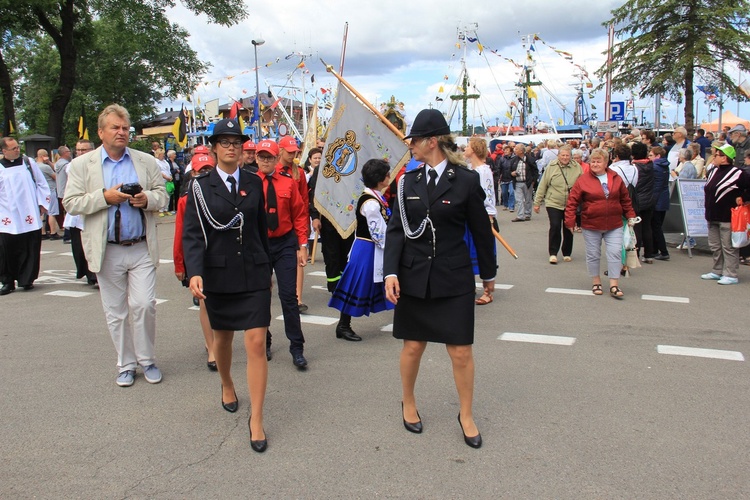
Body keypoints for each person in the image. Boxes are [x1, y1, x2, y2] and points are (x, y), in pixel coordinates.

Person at [384, 109, 495, 449]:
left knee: (460, 351)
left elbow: (480, 231)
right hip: (415, 275)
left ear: (431, 142)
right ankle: (409, 400)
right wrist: (390, 271)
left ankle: (465, 413)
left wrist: (488, 274)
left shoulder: (466, 180)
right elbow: (396, 231)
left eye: (415, 140)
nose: (411, 146)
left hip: (453, 276)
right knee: (413, 346)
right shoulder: (407, 182)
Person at [182, 118, 271, 452]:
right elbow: (192, 232)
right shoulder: (200, 187)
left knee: (257, 342)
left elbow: (261, 227)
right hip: (219, 274)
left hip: (254, 272)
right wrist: (194, 271)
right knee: (222, 340)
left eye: (237, 141)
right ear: (214, 147)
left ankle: (257, 418)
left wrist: (268, 267)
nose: (232, 147)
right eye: (225, 142)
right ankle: (227, 383)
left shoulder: (253, 181)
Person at [64, 104, 168, 387]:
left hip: (140, 247)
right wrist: (104, 197)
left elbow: (163, 197)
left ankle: (147, 360)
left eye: (125, 128)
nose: (122, 132)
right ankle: (126, 363)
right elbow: (71, 203)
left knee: (144, 304)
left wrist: (146, 199)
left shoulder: (145, 161)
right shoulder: (82, 165)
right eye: (115, 128)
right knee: (116, 311)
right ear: (101, 132)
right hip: (107, 248)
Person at [255, 139, 309, 368]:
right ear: (256, 158)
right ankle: (264, 342)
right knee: (261, 297)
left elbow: (299, 213)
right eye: (262, 157)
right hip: (259, 244)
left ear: (278, 159)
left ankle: (297, 347)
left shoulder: (287, 183)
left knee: (289, 297)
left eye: (270, 157)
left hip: (285, 243)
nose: (266, 161)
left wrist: (303, 245)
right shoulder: (249, 184)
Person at [328, 159, 394, 333]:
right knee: (355, 285)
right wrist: (394, 247)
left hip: (370, 248)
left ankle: (344, 325)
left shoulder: (374, 197)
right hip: (367, 250)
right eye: (387, 174)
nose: (389, 176)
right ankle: (343, 325)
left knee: (368, 284)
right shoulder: (371, 203)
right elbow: (378, 233)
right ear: (380, 179)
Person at [564, 148, 636, 298]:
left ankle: (614, 285)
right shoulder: (583, 180)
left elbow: (625, 199)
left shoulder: (615, 177)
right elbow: (572, 201)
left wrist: (631, 216)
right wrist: (570, 221)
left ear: (606, 163)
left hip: (614, 223)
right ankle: (596, 281)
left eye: (598, 161)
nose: (595, 164)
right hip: (591, 224)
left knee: (615, 253)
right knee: (593, 254)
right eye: (593, 161)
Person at [173, 152, 218, 371]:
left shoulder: (222, 193)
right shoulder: (185, 200)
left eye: (208, 170)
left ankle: (217, 341)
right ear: (193, 173)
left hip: (221, 256)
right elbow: (181, 233)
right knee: (205, 303)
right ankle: (212, 348)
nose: (204, 174)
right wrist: (180, 265)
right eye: (200, 171)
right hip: (199, 258)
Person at [0, 137, 51, 295]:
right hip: (7, 215)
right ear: (4, 151)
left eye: (17, 147)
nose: (17, 150)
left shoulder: (28, 163)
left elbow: (42, 183)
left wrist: (43, 203)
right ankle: (7, 281)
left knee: (29, 247)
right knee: (6, 250)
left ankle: (26, 279)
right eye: (13, 148)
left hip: (29, 212)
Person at [700, 144, 750, 285]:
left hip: (727, 216)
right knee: (715, 246)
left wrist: (744, 197)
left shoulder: (739, 173)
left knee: (728, 246)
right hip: (712, 214)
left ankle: (731, 273)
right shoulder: (713, 171)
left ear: (724, 157)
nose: (713, 157)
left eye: (716, 155)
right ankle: (717, 270)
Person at [276, 136, 310, 313]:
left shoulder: (300, 173)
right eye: (289, 151)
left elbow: (304, 200)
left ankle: (298, 298)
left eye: (294, 151)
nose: (292, 154)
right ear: (280, 150)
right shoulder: (273, 170)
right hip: (279, 222)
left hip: (296, 220)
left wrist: (305, 225)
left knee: (299, 260)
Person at [533, 145, 582, 264]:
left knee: (568, 227)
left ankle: (566, 252)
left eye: (567, 155)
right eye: (563, 155)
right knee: (555, 226)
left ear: (571, 156)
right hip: (553, 202)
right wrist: (537, 202)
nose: (565, 157)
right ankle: (553, 253)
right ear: (558, 156)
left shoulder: (577, 167)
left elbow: (583, 185)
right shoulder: (552, 166)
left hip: (570, 203)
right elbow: (543, 184)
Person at [462, 137, 497, 304]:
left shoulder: (483, 171)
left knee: (485, 252)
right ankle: (469, 285)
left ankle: (488, 291)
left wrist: (489, 217)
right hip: (469, 217)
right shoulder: (469, 169)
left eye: (468, 146)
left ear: (474, 149)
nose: (465, 149)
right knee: (469, 252)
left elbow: (488, 195)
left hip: (482, 217)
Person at [64, 140, 97, 286]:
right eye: (78, 150)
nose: (81, 153)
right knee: (79, 245)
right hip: (78, 207)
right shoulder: (72, 166)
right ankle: (86, 272)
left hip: (95, 205)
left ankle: (94, 274)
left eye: (84, 150)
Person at [631, 143, 656, 262]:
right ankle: (649, 254)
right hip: (649, 198)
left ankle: (635, 253)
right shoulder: (651, 165)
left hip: (637, 200)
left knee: (637, 229)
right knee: (647, 227)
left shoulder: (634, 167)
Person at [649, 147, 671, 261]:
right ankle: (655, 250)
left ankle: (663, 251)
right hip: (663, 199)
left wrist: (652, 201)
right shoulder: (664, 166)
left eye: (651, 155)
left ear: (657, 156)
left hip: (657, 200)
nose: (649, 157)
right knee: (657, 225)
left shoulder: (656, 167)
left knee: (655, 226)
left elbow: (656, 187)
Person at [510, 143, 537, 222]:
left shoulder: (530, 159)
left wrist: (533, 181)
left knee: (528, 199)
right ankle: (520, 215)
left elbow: (535, 170)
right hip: (517, 182)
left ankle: (527, 214)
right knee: (519, 200)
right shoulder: (514, 160)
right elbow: (510, 169)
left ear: (521, 151)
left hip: (527, 182)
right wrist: (512, 173)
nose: (515, 150)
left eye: (517, 149)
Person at [54, 146, 73, 240]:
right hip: (67, 190)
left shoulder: (57, 164)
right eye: (69, 151)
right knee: (70, 212)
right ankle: (67, 235)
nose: (70, 153)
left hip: (60, 190)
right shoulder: (67, 165)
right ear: (65, 153)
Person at [154, 149, 172, 216]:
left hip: (167, 180)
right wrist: (166, 177)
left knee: (167, 196)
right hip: (161, 180)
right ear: (158, 155)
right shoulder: (156, 161)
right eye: (162, 154)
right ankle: (161, 210)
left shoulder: (165, 161)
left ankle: (166, 209)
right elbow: (159, 171)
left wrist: (170, 176)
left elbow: (168, 170)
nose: (163, 155)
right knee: (162, 195)